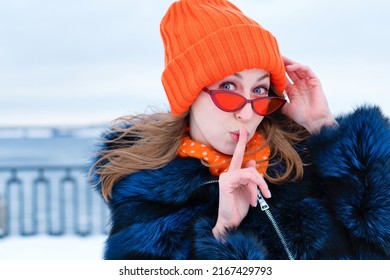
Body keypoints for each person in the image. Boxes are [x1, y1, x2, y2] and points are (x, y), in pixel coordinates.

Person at [90, 0, 390, 260]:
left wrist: (322, 125)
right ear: (190, 94)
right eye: (228, 87)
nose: (247, 112)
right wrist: (224, 234)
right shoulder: (148, 196)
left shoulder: (303, 165)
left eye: (260, 90)